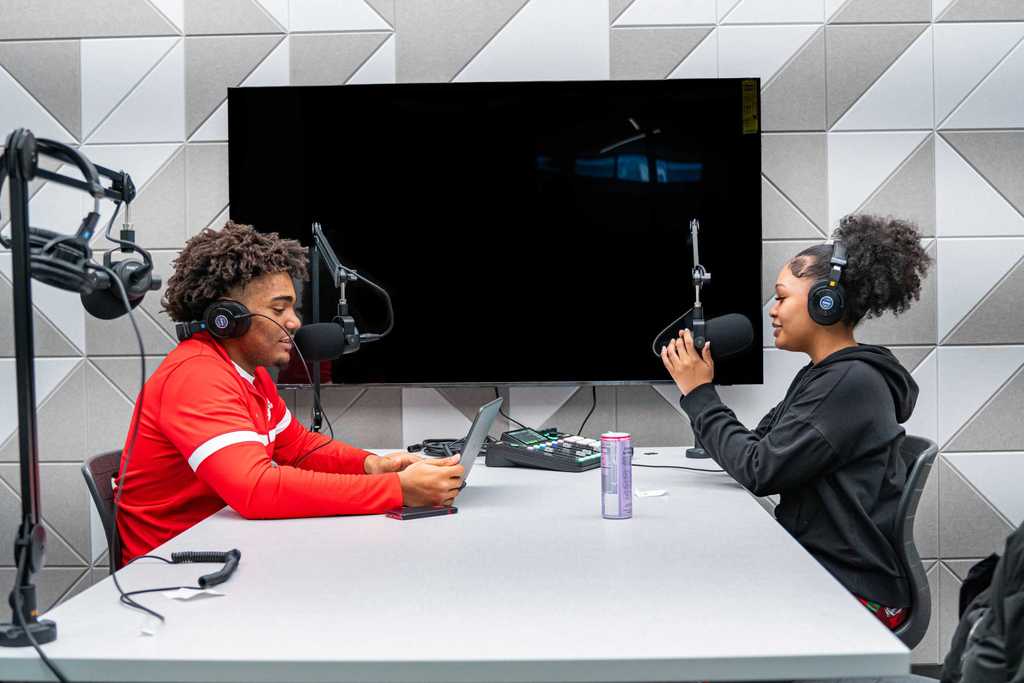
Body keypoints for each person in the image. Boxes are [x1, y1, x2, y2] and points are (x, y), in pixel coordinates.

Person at [115, 221, 464, 565]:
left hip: (225, 547)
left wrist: (373, 465)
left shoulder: (251, 374)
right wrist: (397, 490)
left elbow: (296, 447)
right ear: (228, 317)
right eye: (279, 309)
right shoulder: (195, 376)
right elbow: (256, 490)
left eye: (293, 308)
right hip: (174, 573)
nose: (295, 321)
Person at [660, 214, 932, 629]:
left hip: (852, 593)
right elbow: (756, 448)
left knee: (696, 611)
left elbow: (758, 469)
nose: (773, 310)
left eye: (782, 297)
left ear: (827, 301)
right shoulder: (823, 375)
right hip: (820, 569)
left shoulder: (849, 383)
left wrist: (699, 394)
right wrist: (702, 395)